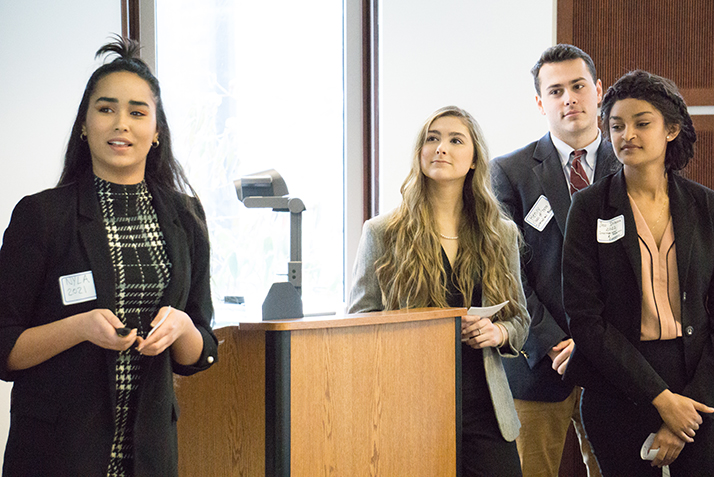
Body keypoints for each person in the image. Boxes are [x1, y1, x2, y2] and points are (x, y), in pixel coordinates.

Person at [0, 36, 218, 476]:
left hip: (150, 457)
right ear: (84, 124)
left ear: (157, 132)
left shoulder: (185, 216)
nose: (122, 123)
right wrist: (80, 327)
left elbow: (202, 351)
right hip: (56, 456)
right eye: (106, 109)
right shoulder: (41, 216)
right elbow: (4, 349)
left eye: (138, 112)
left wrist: (180, 327)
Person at [349, 106, 529, 477]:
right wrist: (417, 330)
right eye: (432, 138)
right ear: (420, 153)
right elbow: (360, 322)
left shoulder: (501, 234)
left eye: (455, 140)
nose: (441, 148)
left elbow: (519, 319)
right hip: (410, 408)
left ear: (475, 159)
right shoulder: (382, 232)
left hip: (485, 408)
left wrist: (497, 332)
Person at [562, 70, 714, 476]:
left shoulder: (705, 207)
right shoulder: (589, 207)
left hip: (698, 381)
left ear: (671, 129)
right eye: (616, 125)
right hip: (617, 382)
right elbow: (586, 319)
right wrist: (661, 400)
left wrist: (688, 408)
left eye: (642, 123)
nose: (627, 134)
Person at [490, 44, 617, 476]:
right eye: (557, 90)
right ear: (541, 103)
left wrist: (600, 342)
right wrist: (551, 340)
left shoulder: (634, 164)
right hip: (541, 364)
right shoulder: (511, 172)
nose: (570, 99)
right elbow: (506, 273)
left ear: (598, 91)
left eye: (579, 86)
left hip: (619, 365)